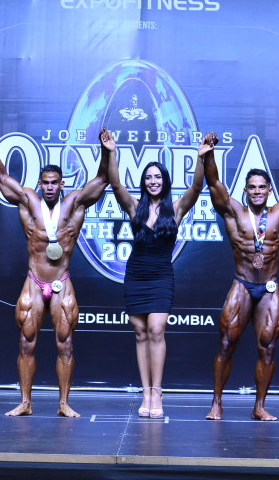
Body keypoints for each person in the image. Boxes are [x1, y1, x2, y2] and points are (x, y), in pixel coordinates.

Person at [0, 128, 112, 417]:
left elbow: (102, 180)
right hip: (34, 281)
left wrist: (106, 151)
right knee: (26, 342)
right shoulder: (28, 201)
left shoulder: (74, 203)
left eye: (54, 183)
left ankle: (63, 404)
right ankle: (25, 402)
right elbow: (1, 178)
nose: (49, 187)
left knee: (65, 344)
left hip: (62, 281)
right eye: (45, 182)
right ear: (40, 183)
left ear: (62, 184)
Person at [102, 131, 215, 419]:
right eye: (149, 177)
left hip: (161, 276)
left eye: (158, 177)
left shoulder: (175, 209)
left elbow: (196, 187)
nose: (153, 181)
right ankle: (145, 392)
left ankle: (157, 390)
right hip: (136, 275)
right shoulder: (134, 207)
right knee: (140, 334)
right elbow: (115, 184)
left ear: (165, 181)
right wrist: (111, 152)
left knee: (156, 330)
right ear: (144, 182)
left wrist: (201, 158)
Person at [203, 144, 279, 421]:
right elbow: (213, 183)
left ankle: (259, 406)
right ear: (246, 190)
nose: (257, 191)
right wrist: (209, 155)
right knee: (226, 344)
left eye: (262, 187)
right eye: (252, 187)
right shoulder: (234, 212)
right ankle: (216, 403)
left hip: (269, 288)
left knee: (268, 347)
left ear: (269, 190)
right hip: (242, 284)